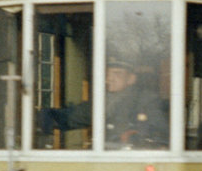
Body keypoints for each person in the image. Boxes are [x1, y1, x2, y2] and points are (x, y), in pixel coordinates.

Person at [39, 58, 169, 149]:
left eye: (117, 73)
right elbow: (73, 117)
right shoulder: (103, 100)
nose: (109, 79)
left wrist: (137, 135)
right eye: (107, 74)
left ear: (131, 79)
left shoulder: (147, 100)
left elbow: (159, 130)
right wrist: (43, 117)